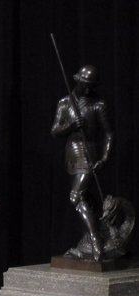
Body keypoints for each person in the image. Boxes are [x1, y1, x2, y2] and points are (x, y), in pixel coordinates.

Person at [51, 65, 113, 261]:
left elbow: (109, 134)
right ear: (77, 81)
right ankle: (96, 236)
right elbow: (54, 131)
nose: (87, 89)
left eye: (90, 86)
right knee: (87, 200)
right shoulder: (64, 103)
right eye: (84, 84)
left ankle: (96, 241)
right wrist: (70, 125)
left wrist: (105, 157)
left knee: (76, 197)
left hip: (90, 153)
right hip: (71, 154)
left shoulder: (97, 105)